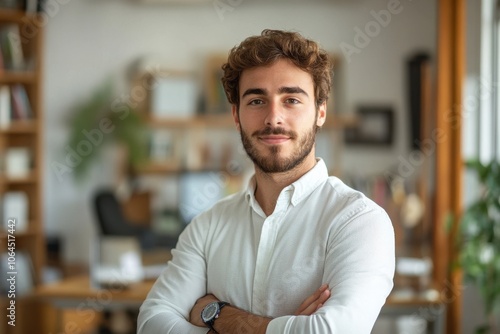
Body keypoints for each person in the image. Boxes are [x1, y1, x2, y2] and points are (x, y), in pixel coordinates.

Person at [137, 29, 395, 334]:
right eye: (257, 101)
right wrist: (288, 327)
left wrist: (217, 314)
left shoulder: (359, 221)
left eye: (291, 100)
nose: (274, 118)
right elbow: (152, 322)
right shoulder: (208, 226)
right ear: (236, 115)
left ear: (321, 111)